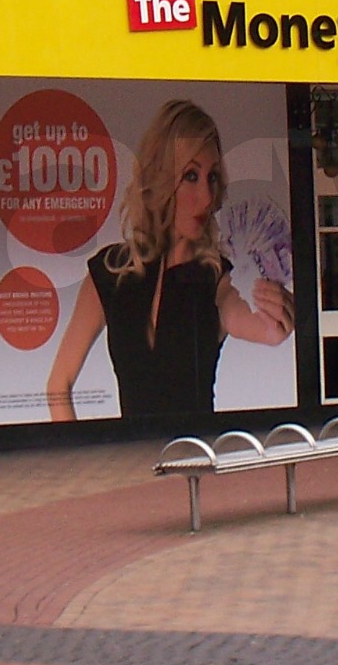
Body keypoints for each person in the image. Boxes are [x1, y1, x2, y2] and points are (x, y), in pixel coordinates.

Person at [44, 99, 293, 427]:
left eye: (212, 177)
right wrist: (85, 467)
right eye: (191, 175)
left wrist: (279, 319)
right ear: (161, 178)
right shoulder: (110, 272)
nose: (206, 196)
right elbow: (57, 386)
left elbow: (257, 325)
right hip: (133, 469)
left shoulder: (215, 278)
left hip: (197, 467)